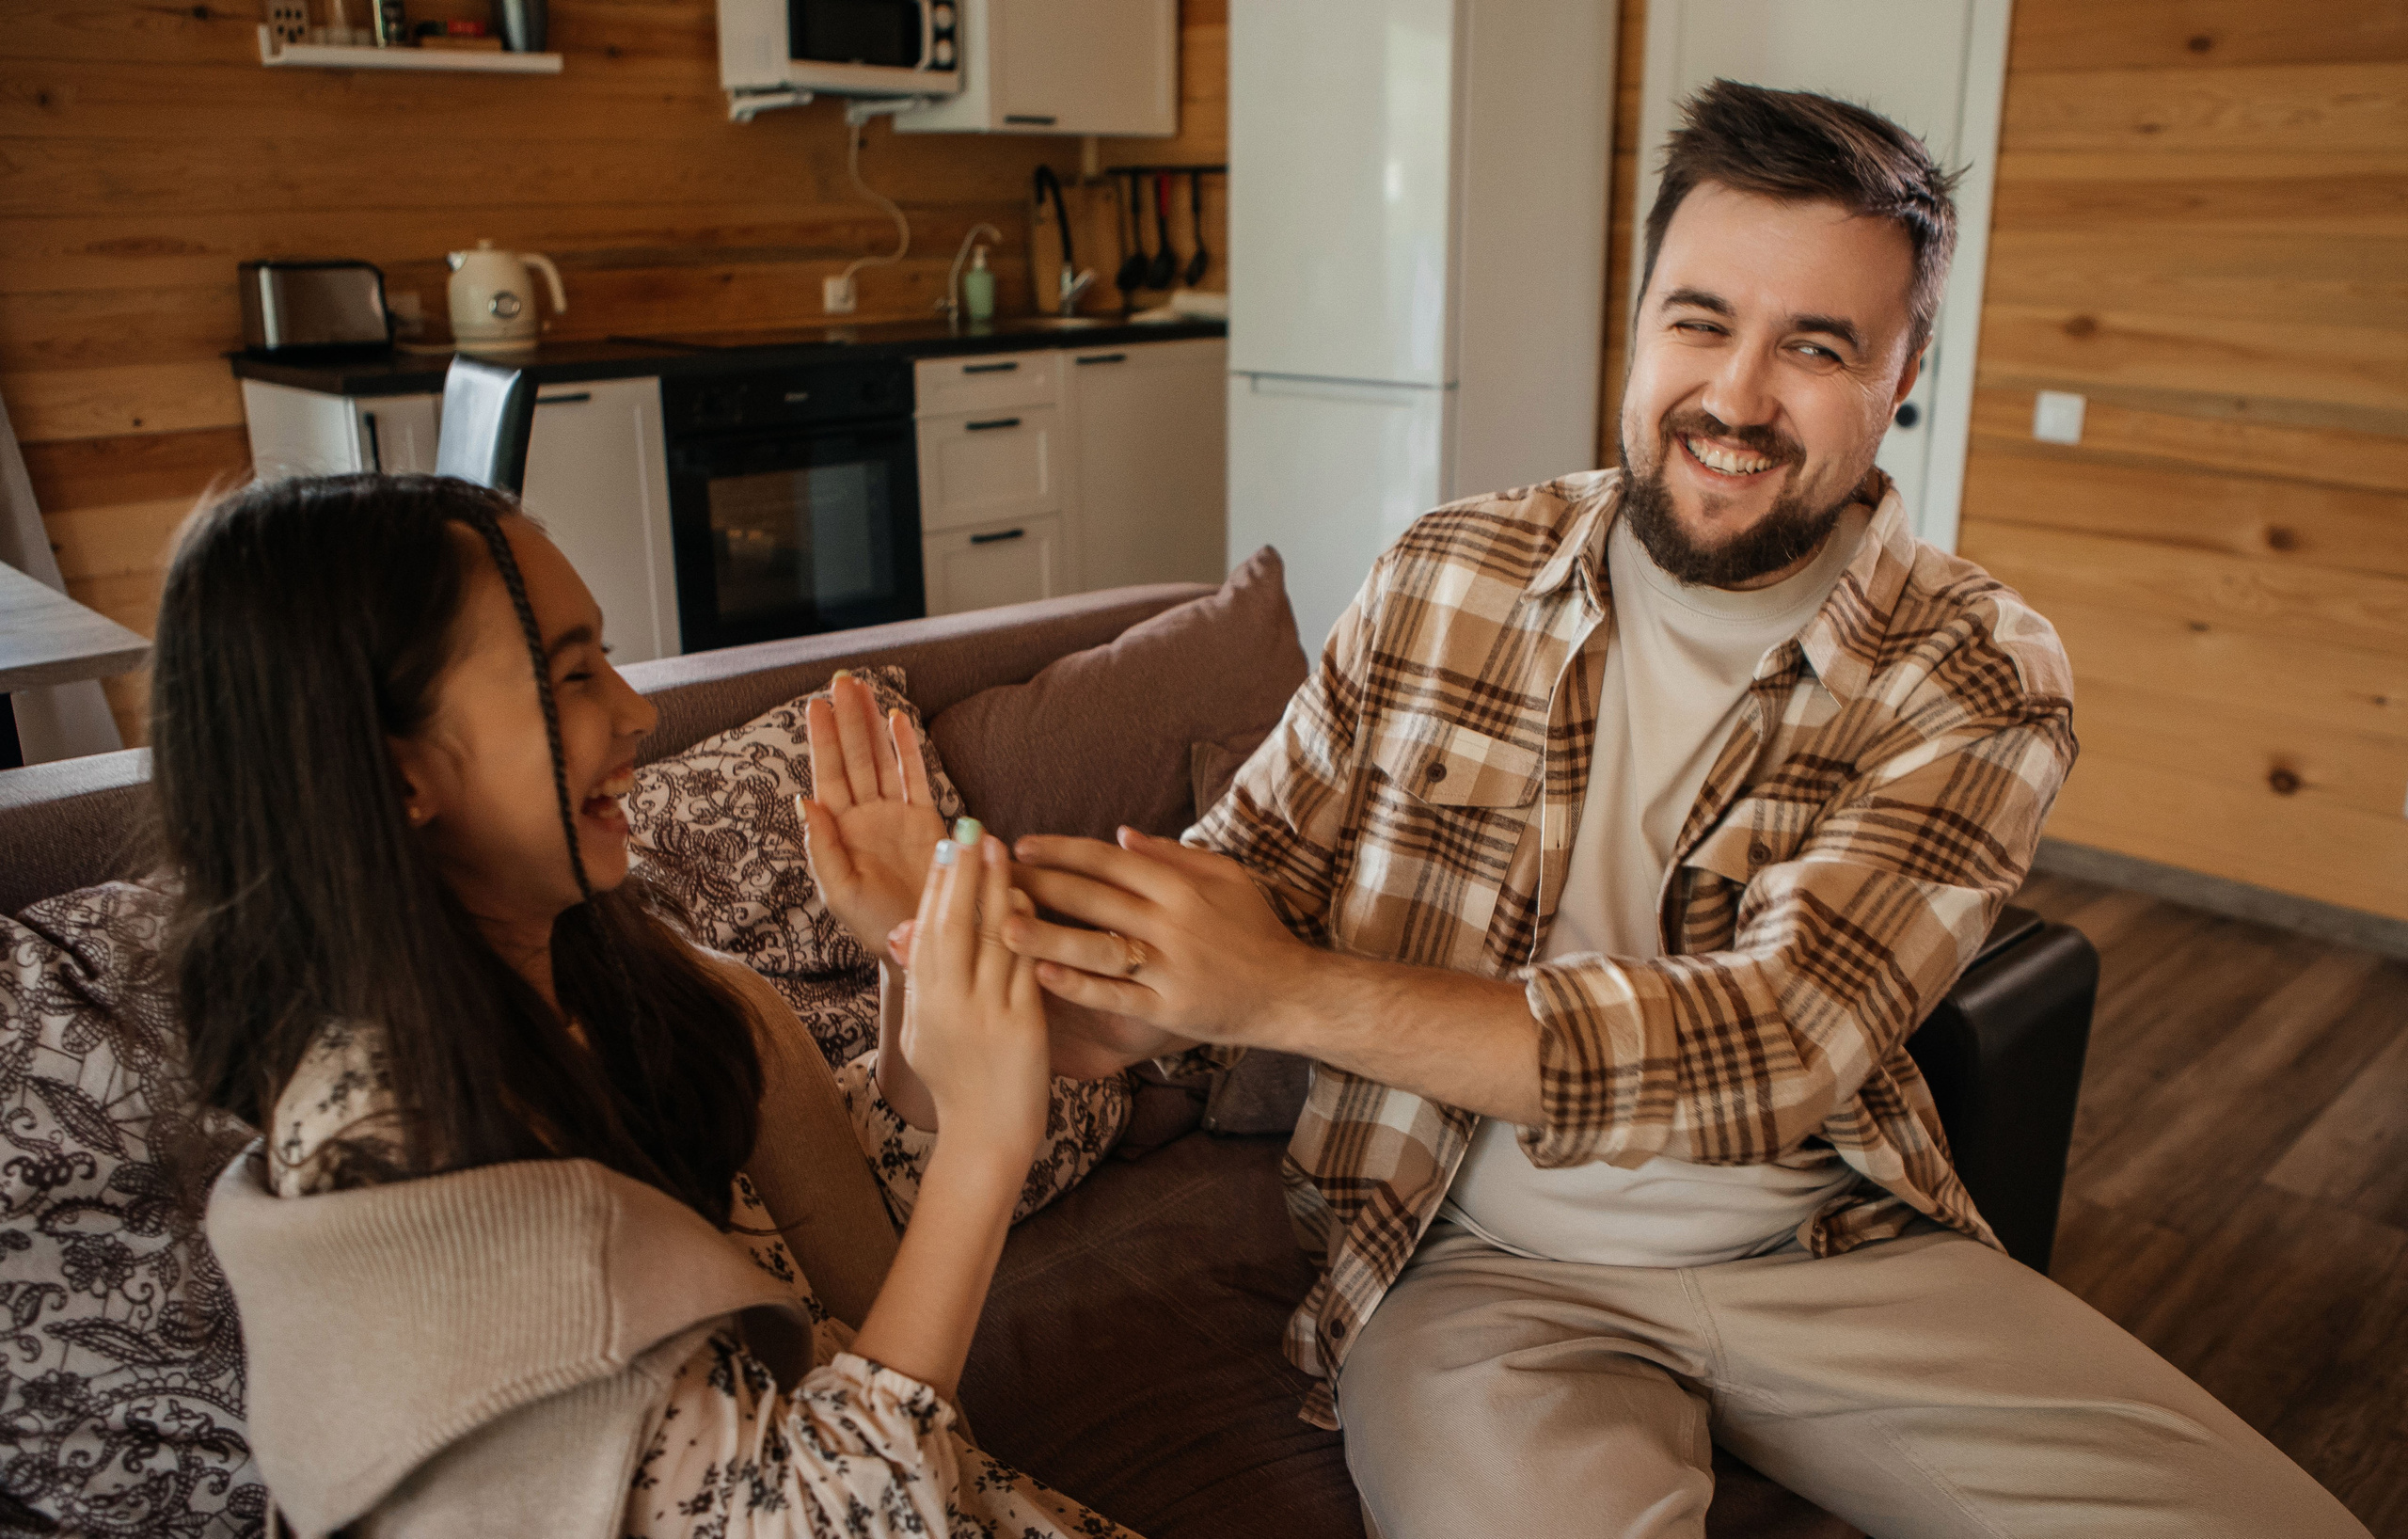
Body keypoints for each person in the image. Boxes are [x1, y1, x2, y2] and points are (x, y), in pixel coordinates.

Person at [977, 82, 2374, 1538]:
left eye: (1816, 347)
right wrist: (972, 932)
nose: (1736, 396)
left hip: (1827, 1249)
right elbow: (1235, 885)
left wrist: (1284, 995)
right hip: (1463, 1264)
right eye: (1699, 321)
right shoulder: (1444, 571)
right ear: (1638, 321)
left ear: (1907, 374)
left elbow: (1768, 1046)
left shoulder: (1976, 667)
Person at [159, 473, 1140, 1539]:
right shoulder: (398, 1162)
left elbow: (838, 1228)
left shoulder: (602, 979)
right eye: (572, 674)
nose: (638, 711)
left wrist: (908, 957)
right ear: (396, 776)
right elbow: (815, 1519)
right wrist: (985, 1142)